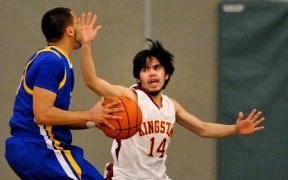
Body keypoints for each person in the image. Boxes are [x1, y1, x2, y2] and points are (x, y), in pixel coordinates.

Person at [79, 16, 266, 179]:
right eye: (145, 70)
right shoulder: (131, 97)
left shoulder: (171, 106)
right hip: (126, 177)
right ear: (138, 77)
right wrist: (86, 45)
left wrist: (235, 129)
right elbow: (92, 81)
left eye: (157, 68)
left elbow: (203, 128)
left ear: (166, 74)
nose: (151, 74)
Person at [5, 7, 124, 180]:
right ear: (69, 30)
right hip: (38, 147)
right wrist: (89, 114)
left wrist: (93, 120)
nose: (81, 27)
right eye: (77, 22)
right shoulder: (51, 61)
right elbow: (43, 114)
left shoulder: (56, 60)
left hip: (35, 148)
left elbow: (54, 120)